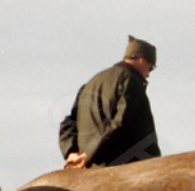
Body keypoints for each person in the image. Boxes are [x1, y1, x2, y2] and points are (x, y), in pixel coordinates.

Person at [59, 35, 160, 168]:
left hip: (87, 167)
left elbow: (69, 122)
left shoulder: (92, 82)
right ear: (141, 60)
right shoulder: (131, 81)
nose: (148, 75)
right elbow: (121, 123)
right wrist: (91, 153)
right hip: (124, 168)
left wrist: (70, 152)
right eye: (150, 68)